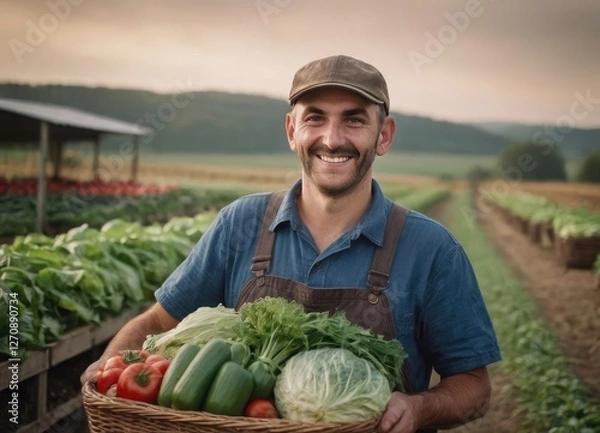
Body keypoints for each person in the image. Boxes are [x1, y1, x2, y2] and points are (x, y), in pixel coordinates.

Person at [82, 54, 501, 433]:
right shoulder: (240, 224)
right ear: (291, 130)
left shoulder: (433, 250)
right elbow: (157, 323)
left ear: (384, 136)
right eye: (315, 118)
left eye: (354, 120)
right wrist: (111, 367)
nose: (332, 139)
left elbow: (474, 388)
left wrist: (419, 409)